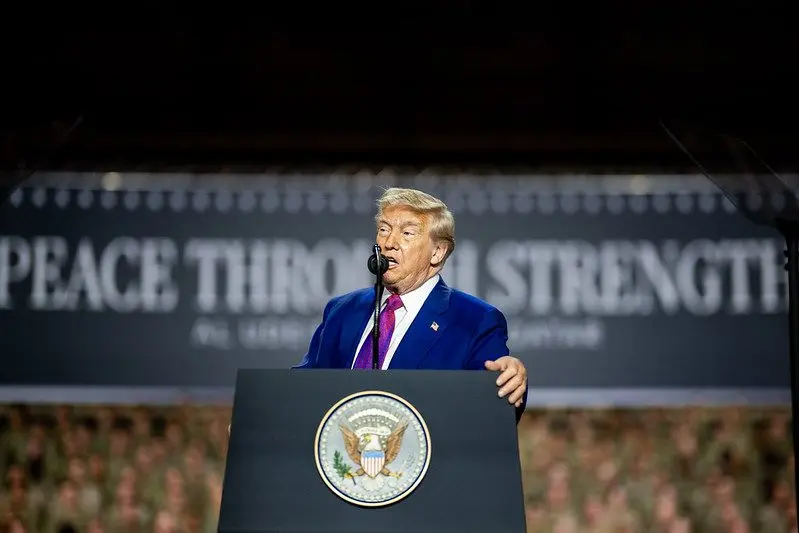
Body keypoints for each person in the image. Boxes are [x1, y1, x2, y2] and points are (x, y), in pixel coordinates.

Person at [293, 187, 528, 419]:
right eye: (384, 229)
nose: (389, 243)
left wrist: (508, 376)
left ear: (437, 252)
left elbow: (493, 403)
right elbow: (303, 389)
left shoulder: (475, 320)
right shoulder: (342, 311)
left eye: (407, 233)